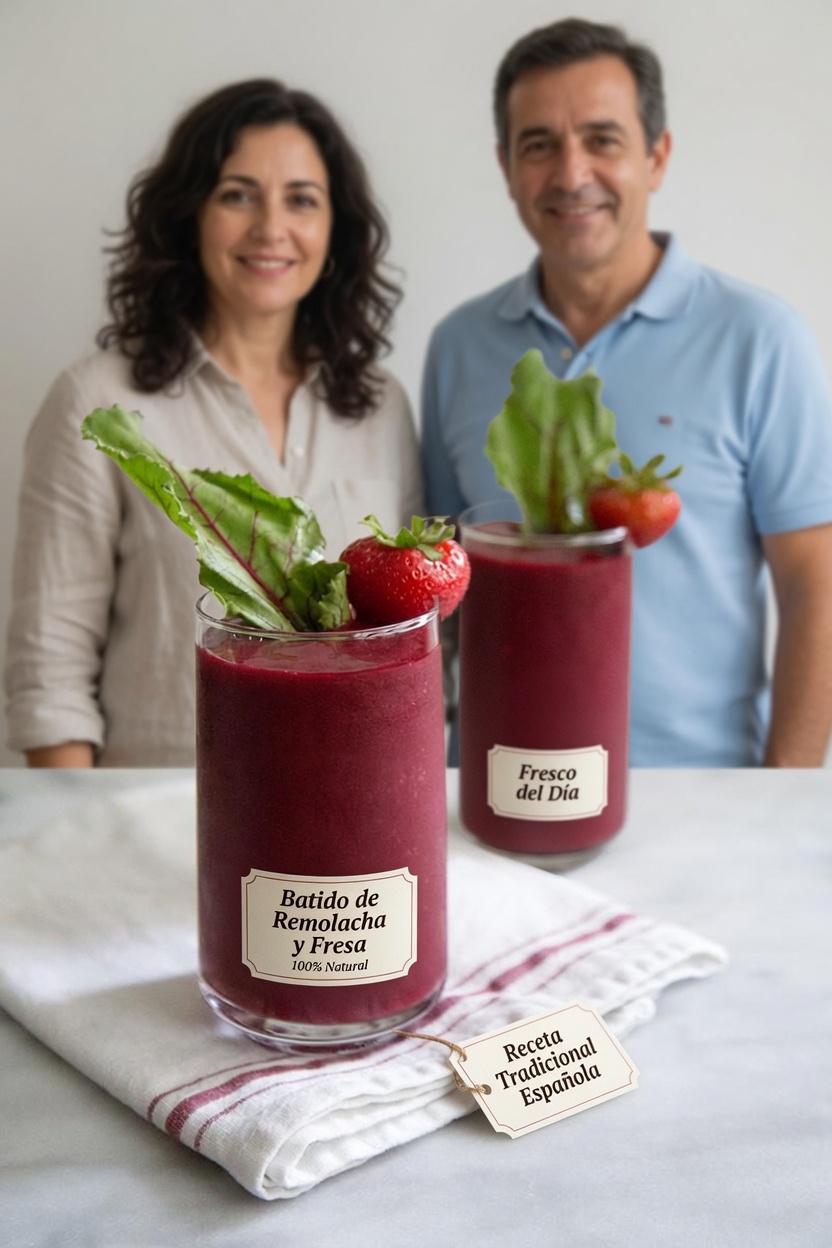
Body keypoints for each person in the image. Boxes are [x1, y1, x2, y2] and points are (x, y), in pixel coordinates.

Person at [422, 17, 832, 768]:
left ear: (657, 155)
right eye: (538, 144)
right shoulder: (458, 347)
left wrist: (785, 797)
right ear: (506, 167)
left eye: (603, 140)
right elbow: (443, 589)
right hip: (499, 785)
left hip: (700, 792)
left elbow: (818, 590)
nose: (571, 173)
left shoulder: (761, 339)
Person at [5, 79, 423, 768]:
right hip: (160, 815)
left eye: (302, 200)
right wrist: (85, 837)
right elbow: (51, 671)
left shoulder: (381, 404)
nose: (270, 227)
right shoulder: (95, 403)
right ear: (188, 215)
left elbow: (411, 644)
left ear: (335, 231)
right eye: (236, 194)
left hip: (349, 818)